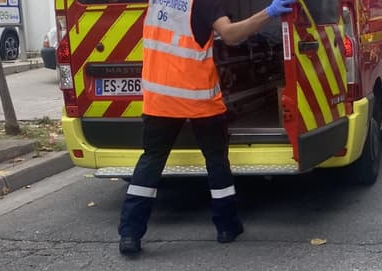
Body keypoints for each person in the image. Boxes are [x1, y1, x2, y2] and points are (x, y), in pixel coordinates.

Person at [118, 0, 295, 256]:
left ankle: (130, 234)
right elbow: (231, 35)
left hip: (159, 99)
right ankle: (226, 227)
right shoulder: (205, 3)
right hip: (198, 99)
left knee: (151, 162)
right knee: (216, 162)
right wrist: (268, 13)